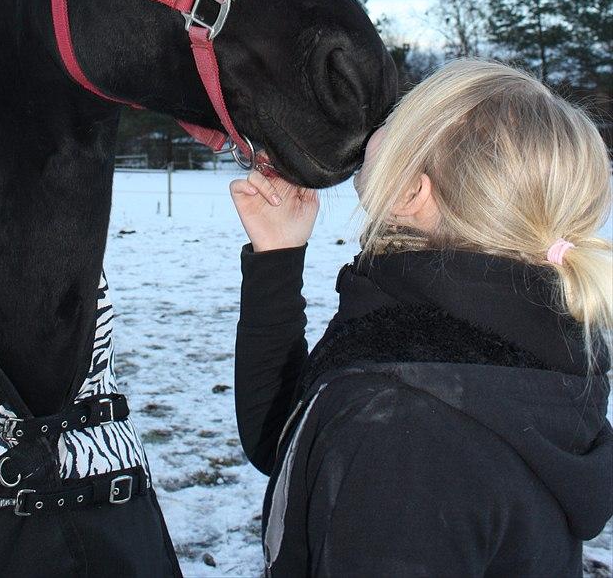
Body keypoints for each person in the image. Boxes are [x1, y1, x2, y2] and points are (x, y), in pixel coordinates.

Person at [230, 58, 613, 577]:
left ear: (413, 193)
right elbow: (290, 441)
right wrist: (277, 255)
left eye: (398, 119)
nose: (375, 126)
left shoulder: (403, 426)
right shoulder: (494, 335)